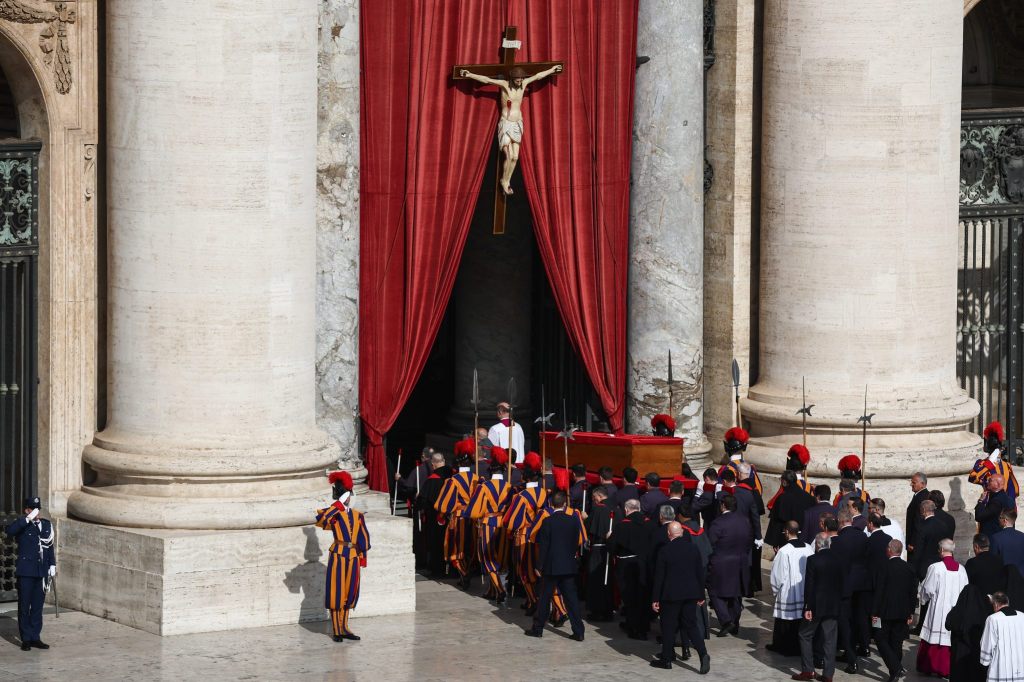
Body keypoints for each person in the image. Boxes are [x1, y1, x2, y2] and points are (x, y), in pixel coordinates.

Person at [459, 64, 563, 195]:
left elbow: (538, 76)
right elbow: (487, 80)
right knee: (507, 155)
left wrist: (552, 70)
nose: (520, 81)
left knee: (515, 157)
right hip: (506, 123)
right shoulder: (504, 85)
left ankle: (506, 180)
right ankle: (504, 181)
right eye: (517, 79)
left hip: (517, 124)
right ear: (512, 78)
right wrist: (469, 75)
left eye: (521, 78)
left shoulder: (524, 84)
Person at [650, 521, 712, 674]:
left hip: (671, 594)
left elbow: (659, 577)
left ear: (669, 534)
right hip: (691, 593)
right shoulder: (693, 548)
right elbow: (700, 572)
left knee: (668, 626)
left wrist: (655, 598)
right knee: (691, 625)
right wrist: (700, 593)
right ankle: (703, 654)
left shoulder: (665, 550)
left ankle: (667, 659)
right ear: (682, 533)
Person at [316, 472, 371, 642]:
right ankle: (336, 629)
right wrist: (337, 505)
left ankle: (345, 627)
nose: (347, 498)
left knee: (350, 591)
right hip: (339, 554)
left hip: (353, 555)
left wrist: (363, 556)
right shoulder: (335, 513)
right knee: (337, 591)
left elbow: (363, 538)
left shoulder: (357, 515)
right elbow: (321, 520)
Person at [524, 490, 586, 641]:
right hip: (568, 565)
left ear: (551, 505)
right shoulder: (573, 520)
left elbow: (543, 546)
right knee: (571, 601)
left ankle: (538, 628)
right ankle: (579, 631)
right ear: (565, 504)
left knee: (544, 599)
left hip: (551, 567)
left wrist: (539, 566)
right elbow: (576, 542)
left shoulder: (548, 521)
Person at [4, 496, 56, 651]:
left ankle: (35, 637)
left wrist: (52, 564)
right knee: (24, 606)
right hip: (26, 571)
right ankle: (25, 638)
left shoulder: (46, 525)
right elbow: (10, 531)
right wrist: (27, 519)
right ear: (26, 510)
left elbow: (50, 547)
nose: (36, 512)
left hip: (41, 572)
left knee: (38, 607)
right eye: (32, 509)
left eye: (37, 509)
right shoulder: (22, 525)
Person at [792, 533, 844, 682]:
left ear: (817, 545)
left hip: (816, 606)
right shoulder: (838, 560)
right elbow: (842, 583)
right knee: (830, 640)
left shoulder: (813, 560)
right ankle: (828, 674)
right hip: (833, 606)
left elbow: (810, 586)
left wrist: (808, 607)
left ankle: (808, 671)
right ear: (829, 544)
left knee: (805, 634)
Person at [464, 446, 512, 602]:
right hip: (503, 524)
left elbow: (475, 511)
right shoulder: (509, 486)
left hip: (488, 524)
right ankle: (492, 590)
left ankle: (499, 589)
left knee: (488, 557)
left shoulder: (484, 487)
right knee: (499, 558)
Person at [503, 452, 548, 615]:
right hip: (540, 535)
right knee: (536, 570)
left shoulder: (521, 496)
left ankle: (533, 601)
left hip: (523, 536)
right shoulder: (544, 493)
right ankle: (530, 601)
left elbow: (511, 521)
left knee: (524, 571)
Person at [917, 539, 970, 677]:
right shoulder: (962, 569)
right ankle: (947, 669)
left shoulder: (935, 567)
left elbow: (927, 589)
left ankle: (930, 666)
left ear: (941, 550)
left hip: (938, 609)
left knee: (934, 637)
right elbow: (966, 591)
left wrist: (923, 599)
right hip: (955, 611)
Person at [831, 508, 872, 673]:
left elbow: (837, 567)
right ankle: (864, 646)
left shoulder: (838, 540)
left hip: (846, 586)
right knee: (860, 618)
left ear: (840, 522)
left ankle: (851, 658)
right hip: (862, 584)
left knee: (845, 622)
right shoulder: (862, 536)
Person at [872, 539, 917, 682]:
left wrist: (874, 611)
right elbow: (912, 592)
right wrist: (910, 611)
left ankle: (895, 668)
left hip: (884, 611)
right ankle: (895, 671)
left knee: (880, 638)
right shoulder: (909, 568)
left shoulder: (883, 567)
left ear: (890, 550)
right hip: (903, 611)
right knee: (896, 642)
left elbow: (879, 591)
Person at [707, 494, 753, 636]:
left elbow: (710, 544)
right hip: (740, 562)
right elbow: (749, 540)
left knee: (714, 592)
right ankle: (735, 622)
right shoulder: (745, 521)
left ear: (723, 506)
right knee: (736, 594)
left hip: (721, 563)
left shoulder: (718, 523)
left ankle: (727, 621)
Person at [436, 438, 479, 588]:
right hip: (472, 518)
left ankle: (464, 574)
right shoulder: (476, 479)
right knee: (470, 547)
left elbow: (444, 504)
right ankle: (465, 573)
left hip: (458, 517)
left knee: (456, 548)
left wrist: (441, 515)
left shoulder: (453, 481)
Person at [768, 520, 815, 656]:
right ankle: (798, 647)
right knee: (800, 620)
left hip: (789, 592)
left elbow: (778, 575)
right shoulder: (808, 547)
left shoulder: (784, 551)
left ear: (787, 532)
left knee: (785, 620)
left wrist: (775, 590)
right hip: (804, 589)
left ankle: (783, 647)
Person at [609, 498, 651, 639]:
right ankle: (643, 626)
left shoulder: (622, 526)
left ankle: (634, 628)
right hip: (644, 564)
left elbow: (612, 547)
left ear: (626, 510)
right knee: (643, 596)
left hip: (626, 566)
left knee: (630, 598)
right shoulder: (649, 523)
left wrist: (609, 538)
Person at [417, 452, 451, 577]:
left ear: (433, 464)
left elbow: (423, 501)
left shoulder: (432, 480)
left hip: (435, 517)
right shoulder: (453, 476)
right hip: (451, 516)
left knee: (436, 542)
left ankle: (437, 568)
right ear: (444, 461)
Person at [584, 486, 615, 620]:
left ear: (599, 496)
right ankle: (608, 610)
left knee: (596, 580)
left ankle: (597, 611)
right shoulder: (616, 507)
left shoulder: (598, 509)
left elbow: (589, 527)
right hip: (609, 549)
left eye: (594, 498)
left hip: (598, 549)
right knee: (607, 582)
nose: (594, 500)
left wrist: (585, 518)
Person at [969, 421, 1019, 499]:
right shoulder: (982, 464)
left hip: (1004, 506)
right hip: (990, 503)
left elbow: (1011, 490)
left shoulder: (1007, 465)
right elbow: (973, 478)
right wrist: (989, 463)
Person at [980, 591, 1024, 681]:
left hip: (1001, 666)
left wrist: (985, 660)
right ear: (1007, 602)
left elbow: (987, 643)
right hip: (1020, 663)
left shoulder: (993, 619)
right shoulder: (1022, 616)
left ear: (995, 604)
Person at [719, 426, 763, 495]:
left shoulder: (726, 469)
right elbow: (759, 490)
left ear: (728, 450)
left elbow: (719, 492)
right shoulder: (750, 467)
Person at [914, 500, 947, 579]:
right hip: (941, 564)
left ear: (924, 510)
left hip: (926, 567)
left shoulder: (922, 527)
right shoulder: (943, 525)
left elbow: (919, 549)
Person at [977, 474, 1016, 538]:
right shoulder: (1009, 499)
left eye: (990, 480)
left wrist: (980, 501)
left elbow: (979, 516)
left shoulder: (996, 501)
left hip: (994, 539)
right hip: (1006, 538)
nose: (987, 482)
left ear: (997, 484)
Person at [991, 507, 1024, 577]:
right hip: (1021, 578)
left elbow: (993, 562)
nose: (998, 519)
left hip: (1005, 579)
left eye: (1000, 517)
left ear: (1005, 520)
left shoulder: (996, 538)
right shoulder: (1022, 536)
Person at [906, 472, 930, 561]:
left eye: (914, 482)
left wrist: (912, 542)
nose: (911, 484)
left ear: (922, 484)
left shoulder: (922, 497)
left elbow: (918, 521)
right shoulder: (919, 496)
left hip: (915, 545)